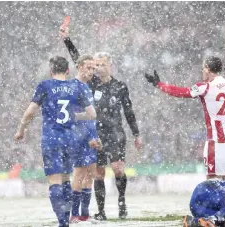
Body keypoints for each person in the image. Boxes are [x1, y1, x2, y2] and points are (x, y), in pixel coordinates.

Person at [60, 25, 143, 220]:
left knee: (118, 169)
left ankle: (122, 203)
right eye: (95, 65)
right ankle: (102, 211)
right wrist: (67, 40)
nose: (97, 68)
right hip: (97, 134)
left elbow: (129, 111)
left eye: (101, 64)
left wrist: (136, 134)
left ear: (110, 65)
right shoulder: (92, 83)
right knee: (98, 173)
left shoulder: (120, 86)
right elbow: (78, 60)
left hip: (116, 133)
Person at [14, 56, 96, 227]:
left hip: (51, 139)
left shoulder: (45, 86)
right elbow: (92, 114)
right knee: (66, 178)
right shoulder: (76, 87)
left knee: (54, 181)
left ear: (51, 71)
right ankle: (66, 218)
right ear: (68, 70)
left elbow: (30, 113)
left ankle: (62, 222)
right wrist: (73, 117)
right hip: (70, 139)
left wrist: (21, 129)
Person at [145, 57, 225, 181]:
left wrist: (159, 84)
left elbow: (181, 92)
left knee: (212, 180)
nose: (202, 71)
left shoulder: (205, 87)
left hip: (217, 140)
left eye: (203, 68)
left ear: (208, 69)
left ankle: (219, 201)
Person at [69, 55, 102, 223]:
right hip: (78, 138)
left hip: (90, 137)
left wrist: (94, 135)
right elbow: (73, 116)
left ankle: (84, 214)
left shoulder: (87, 87)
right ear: (80, 67)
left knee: (90, 174)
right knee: (79, 173)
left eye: (93, 69)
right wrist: (87, 136)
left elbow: (91, 117)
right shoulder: (73, 87)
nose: (91, 72)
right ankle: (74, 215)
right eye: (88, 68)